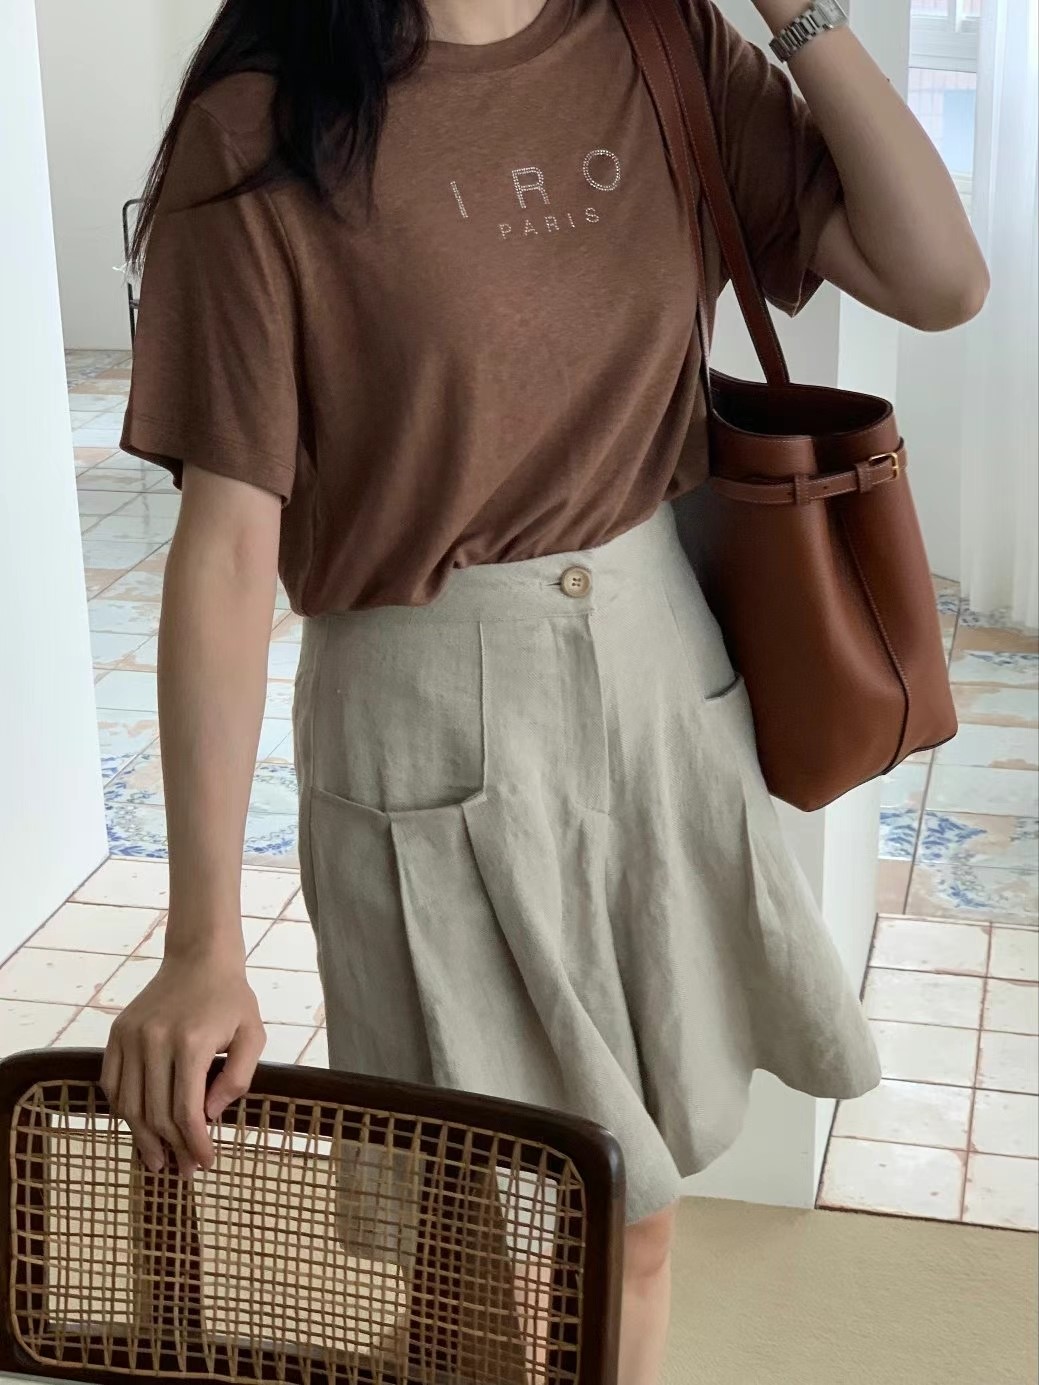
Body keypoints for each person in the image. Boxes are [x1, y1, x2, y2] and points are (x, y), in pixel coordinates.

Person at [101, 0, 988, 1378]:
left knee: (633, 1217)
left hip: (656, 675)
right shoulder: (263, 127)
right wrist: (202, 938)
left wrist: (795, 11)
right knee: (468, 1251)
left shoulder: (661, 43)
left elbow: (940, 278)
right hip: (420, 715)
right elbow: (225, 551)